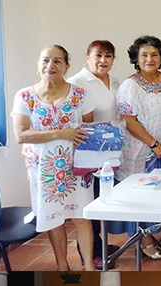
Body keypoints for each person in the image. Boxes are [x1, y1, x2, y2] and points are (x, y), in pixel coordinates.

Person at [12, 44, 96, 271]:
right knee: (53, 220)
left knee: (82, 217)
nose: (51, 65)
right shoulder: (25, 96)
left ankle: (88, 267)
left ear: (67, 66)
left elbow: (89, 129)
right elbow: (21, 135)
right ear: (38, 65)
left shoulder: (79, 94)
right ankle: (62, 266)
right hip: (45, 170)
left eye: (58, 61)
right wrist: (62, 133)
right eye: (46, 60)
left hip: (78, 168)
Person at [114, 35, 161, 260]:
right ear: (136, 58)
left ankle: (149, 234)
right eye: (144, 55)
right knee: (139, 197)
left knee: (157, 195)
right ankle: (143, 239)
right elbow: (129, 120)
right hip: (139, 152)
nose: (149, 59)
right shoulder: (129, 86)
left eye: (154, 54)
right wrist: (153, 144)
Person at [67, 39, 121, 270]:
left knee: (102, 198)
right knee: (86, 204)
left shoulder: (115, 81)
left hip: (109, 152)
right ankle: (89, 254)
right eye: (98, 55)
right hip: (87, 153)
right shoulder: (76, 83)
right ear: (87, 57)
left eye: (108, 56)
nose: (103, 60)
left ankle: (99, 245)